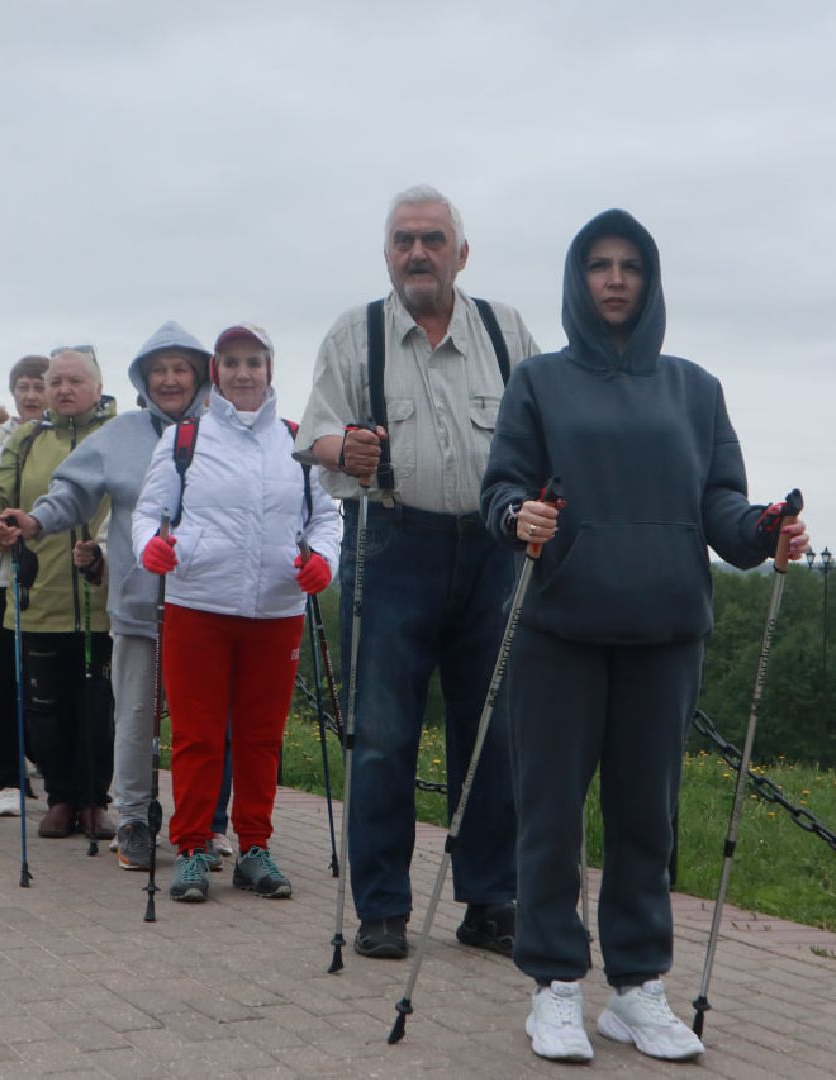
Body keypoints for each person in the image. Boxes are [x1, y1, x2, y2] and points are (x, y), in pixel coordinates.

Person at [480, 208, 808, 1063]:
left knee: (645, 819)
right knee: (550, 813)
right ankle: (554, 984)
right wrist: (520, 515)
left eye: (630, 265)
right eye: (599, 264)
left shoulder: (694, 388)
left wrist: (763, 526)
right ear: (576, 279)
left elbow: (721, 508)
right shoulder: (538, 382)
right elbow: (502, 487)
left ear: (651, 280)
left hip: (665, 630)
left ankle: (634, 989)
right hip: (560, 626)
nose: (615, 278)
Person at [295, 185, 539, 958]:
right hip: (388, 544)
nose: (417, 253)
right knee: (382, 735)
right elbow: (315, 433)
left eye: (432, 239)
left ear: (460, 254)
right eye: (403, 241)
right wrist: (345, 451)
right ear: (387, 254)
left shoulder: (506, 332)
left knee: (492, 732)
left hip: (495, 553)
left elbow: (543, 433)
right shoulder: (354, 333)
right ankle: (382, 909)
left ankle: (489, 900)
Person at [0, 323, 209, 871]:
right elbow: (71, 492)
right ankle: (133, 820)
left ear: (200, 375)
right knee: (133, 717)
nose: (170, 379)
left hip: (211, 603)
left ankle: (204, 826)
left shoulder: (224, 430)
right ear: (142, 378)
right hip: (138, 602)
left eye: (180, 368)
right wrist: (35, 519)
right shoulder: (120, 435)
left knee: (203, 723)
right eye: (158, 370)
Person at [134, 324, 341, 902]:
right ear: (216, 374)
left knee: (260, 738)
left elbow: (327, 518)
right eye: (231, 363)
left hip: (277, 607)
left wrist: (324, 560)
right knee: (197, 736)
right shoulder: (185, 439)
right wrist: (152, 543)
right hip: (198, 602)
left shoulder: (299, 442)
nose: (243, 373)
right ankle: (194, 848)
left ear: (270, 370)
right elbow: (151, 512)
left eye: (253, 362)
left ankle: (255, 848)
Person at [0, 347, 117, 840]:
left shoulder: (117, 433)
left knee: (97, 707)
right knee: (45, 709)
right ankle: (60, 797)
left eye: (74, 380)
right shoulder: (26, 437)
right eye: (54, 381)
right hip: (38, 594)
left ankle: (95, 799)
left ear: (98, 387)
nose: (62, 389)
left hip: (102, 598)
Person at [0, 356, 48, 816]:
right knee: (0, 680)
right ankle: (8, 780)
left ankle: (55, 771)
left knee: (48, 678)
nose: (33, 395)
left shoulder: (67, 438)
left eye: (40, 385)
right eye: (24, 386)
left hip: (50, 576)